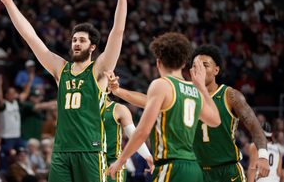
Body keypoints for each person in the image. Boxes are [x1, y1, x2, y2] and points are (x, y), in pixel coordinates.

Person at [0, 0, 127, 182]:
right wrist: (9, 4)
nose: (76, 43)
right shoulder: (60, 68)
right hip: (61, 151)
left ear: (92, 47)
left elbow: (118, 32)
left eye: (82, 40)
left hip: (90, 150)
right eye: (74, 39)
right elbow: (32, 38)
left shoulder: (100, 69)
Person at [106, 44, 270, 182]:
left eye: (205, 65)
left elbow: (255, 127)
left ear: (216, 70)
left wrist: (262, 155)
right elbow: (146, 99)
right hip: (196, 170)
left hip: (227, 170)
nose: (200, 70)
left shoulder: (230, 95)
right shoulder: (185, 92)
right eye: (196, 66)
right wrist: (118, 91)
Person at [108, 32, 221, 181]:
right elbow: (215, 120)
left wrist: (121, 160)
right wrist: (202, 88)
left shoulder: (161, 84)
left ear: (158, 62)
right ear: (183, 64)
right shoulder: (194, 90)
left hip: (171, 166)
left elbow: (143, 130)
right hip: (193, 169)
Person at [103, 97, 152, 182]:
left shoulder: (118, 109)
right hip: (89, 161)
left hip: (111, 163)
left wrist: (147, 156)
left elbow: (134, 136)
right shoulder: (83, 109)